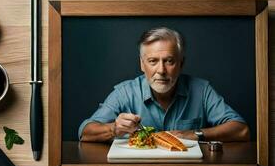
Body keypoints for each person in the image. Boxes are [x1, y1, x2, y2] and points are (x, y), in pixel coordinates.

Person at [78, 27, 250, 142]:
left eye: (169, 61)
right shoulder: (125, 92)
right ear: (141, 64)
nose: (161, 70)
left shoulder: (201, 90)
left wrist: (196, 133)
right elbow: (84, 131)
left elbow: (241, 130)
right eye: (152, 61)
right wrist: (113, 128)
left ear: (181, 63)